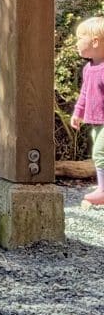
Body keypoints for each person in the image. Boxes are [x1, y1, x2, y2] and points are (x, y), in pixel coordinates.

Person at [70, 16, 104, 206]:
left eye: (80, 37)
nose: (77, 42)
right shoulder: (88, 68)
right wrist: (78, 112)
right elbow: (84, 93)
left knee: (99, 153)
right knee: (99, 153)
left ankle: (102, 190)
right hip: (96, 121)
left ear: (95, 42)